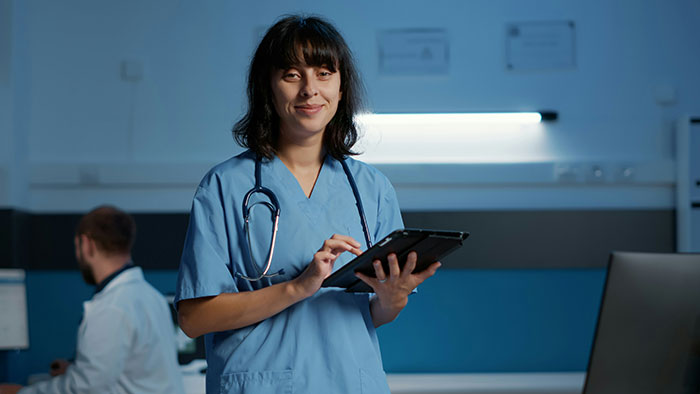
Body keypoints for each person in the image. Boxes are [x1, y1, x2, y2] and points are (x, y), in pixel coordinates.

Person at [175, 14, 441, 394]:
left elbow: (373, 315)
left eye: (323, 73)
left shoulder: (372, 189)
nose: (310, 90)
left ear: (341, 87)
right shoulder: (225, 187)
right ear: (268, 87)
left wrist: (392, 298)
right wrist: (298, 287)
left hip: (351, 384)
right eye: (292, 75)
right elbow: (193, 318)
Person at [0, 206, 185, 394]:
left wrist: (20, 392)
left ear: (86, 244)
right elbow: (133, 368)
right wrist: (77, 370)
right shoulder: (151, 296)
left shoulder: (111, 307)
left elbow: (86, 388)